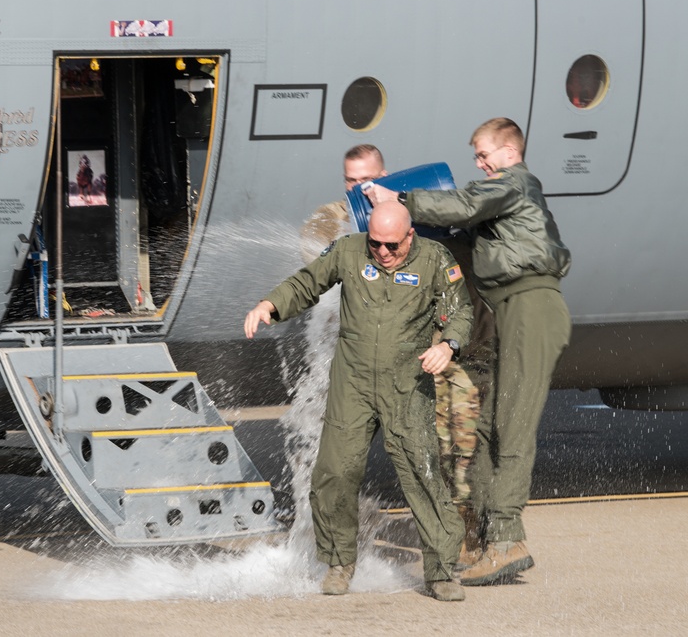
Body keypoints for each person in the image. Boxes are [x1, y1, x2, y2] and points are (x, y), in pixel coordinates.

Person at [363, 117, 572, 586]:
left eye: (484, 154)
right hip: (510, 311)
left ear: (510, 151)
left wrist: (402, 199)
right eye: (476, 157)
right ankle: (482, 538)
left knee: (512, 426)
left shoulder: (517, 184)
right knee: (488, 427)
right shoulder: (499, 210)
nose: (478, 164)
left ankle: (506, 542)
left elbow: (464, 203)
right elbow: (461, 230)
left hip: (532, 306)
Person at [245, 201, 472, 602]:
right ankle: (338, 562)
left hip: (407, 381)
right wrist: (270, 304)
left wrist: (449, 345)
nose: (382, 252)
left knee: (422, 473)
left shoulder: (436, 259)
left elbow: (460, 311)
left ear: (409, 236)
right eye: (376, 243)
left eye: (391, 245)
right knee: (334, 471)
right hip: (353, 381)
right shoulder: (350, 251)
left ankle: (440, 572)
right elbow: (307, 282)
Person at [300, 145, 493, 567]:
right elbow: (316, 265)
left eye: (365, 179)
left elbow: (460, 290)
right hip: (375, 364)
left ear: (385, 176)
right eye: (350, 180)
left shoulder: (427, 213)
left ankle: (471, 536)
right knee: (347, 458)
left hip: (444, 356)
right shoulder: (334, 219)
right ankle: (341, 537)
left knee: (455, 452)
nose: (357, 187)